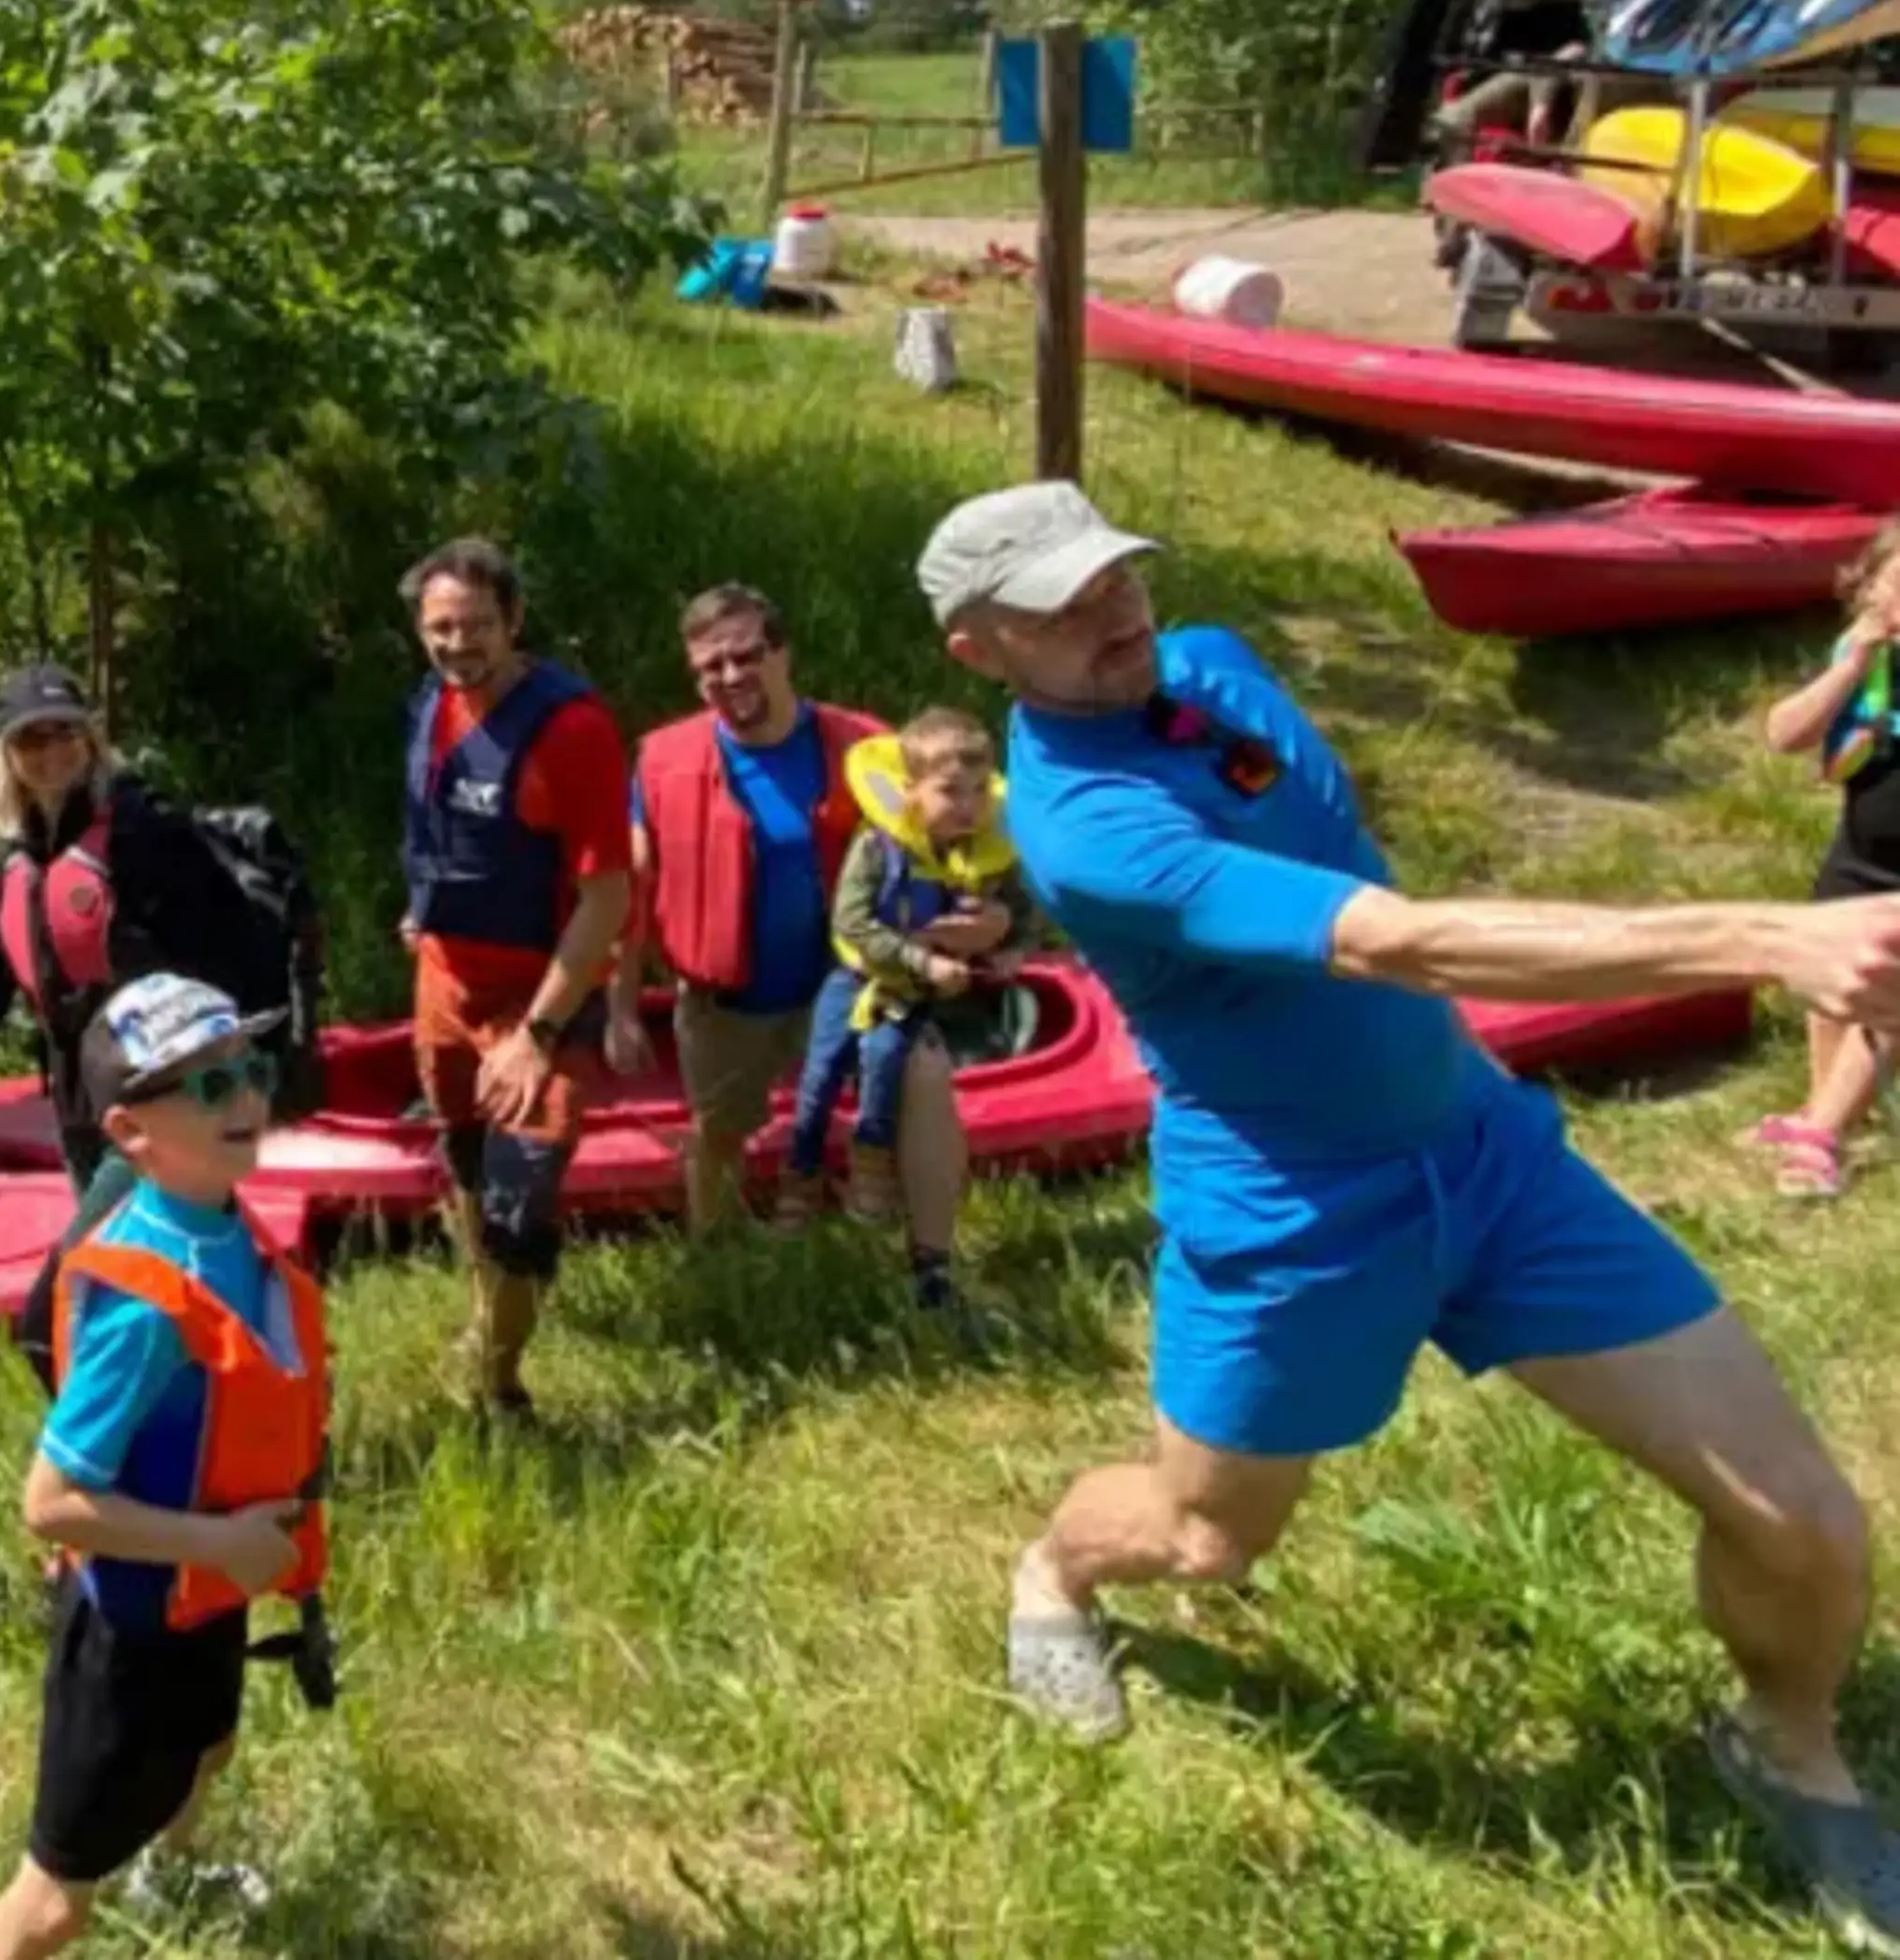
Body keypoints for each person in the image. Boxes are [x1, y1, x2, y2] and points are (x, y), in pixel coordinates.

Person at [928, 479, 1900, 1947]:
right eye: (1060, 605)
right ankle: (1054, 1569)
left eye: (1117, 574)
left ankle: (1788, 1741)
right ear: (978, 647)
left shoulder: (1210, 670)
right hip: (1292, 1209)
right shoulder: (1084, 824)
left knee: (1807, 1519)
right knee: (1203, 1541)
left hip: (1485, 1152)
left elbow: (1350, 862)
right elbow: (1387, 934)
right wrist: (1765, 931)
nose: (1113, 612)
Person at [0, 974, 328, 1960]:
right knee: (53, 1904)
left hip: (206, 1591)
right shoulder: (146, 1298)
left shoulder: (224, 1222)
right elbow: (50, 1501)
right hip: (127, 1633)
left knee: (210, 1746)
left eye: (249, 1068)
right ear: (129, 1130)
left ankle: (168, 1870)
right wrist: (223, 1542)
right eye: (206, 1085)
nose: (245, 1096)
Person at [0, 663, 263, 1198]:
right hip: (78, 1100)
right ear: (6, 754)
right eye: (31, 737)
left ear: (91, 739)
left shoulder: (144, 829)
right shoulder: (10, 863)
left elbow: (223, 947)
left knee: (130, 1253)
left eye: (64, 731)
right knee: (110, 1257)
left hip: (162, 1095)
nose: (51, 750)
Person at [397, 539, 630, 1418]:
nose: (461, 645)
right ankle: (483, 1312)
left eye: (479, 625)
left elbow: (607, 900)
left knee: (522, 1191)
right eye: (441, 628)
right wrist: (423, 906)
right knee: (464, 1161)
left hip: (538, 1000)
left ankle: (499, 1389)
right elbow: (445, 830)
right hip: (443, 984)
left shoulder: (572, 731)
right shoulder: (431, 702)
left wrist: (536, 1037)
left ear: (515, 620)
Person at [611, 585, 903, 1240]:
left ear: (782, 654)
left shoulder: (865, 746)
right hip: (725, 1001)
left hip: (847, 985)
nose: (731, 676)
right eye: (711, 667)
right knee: (717, 1135)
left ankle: (890, 1245)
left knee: (886, 1116)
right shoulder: (661, 759)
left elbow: (936, 851)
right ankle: (715, 1258)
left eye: (746, 656)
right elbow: (631, 885)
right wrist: (623, 1007)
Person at [777, 710, 1030, 1309]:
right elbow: (851, 922)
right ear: (912, 791)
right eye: (949, 792)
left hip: (919, 996)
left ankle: (872, 1172)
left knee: (888, 1061)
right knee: (819, 1078)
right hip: (862, 977)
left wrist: (1013, 946)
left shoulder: (988, 861)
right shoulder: (879, 847)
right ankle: (802, 1173)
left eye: (977, 791)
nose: (966, 806)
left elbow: (1023, 913)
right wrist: (919, 959)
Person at [1752, 516, 1900, 1198]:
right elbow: (1784, 735)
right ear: (1869, 589)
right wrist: (1855, 662)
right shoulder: (1861, 657)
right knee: (1825, 986)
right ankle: (1822, 1118)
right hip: (1861, 849)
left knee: (1889, 999)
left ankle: (1826, 1133)